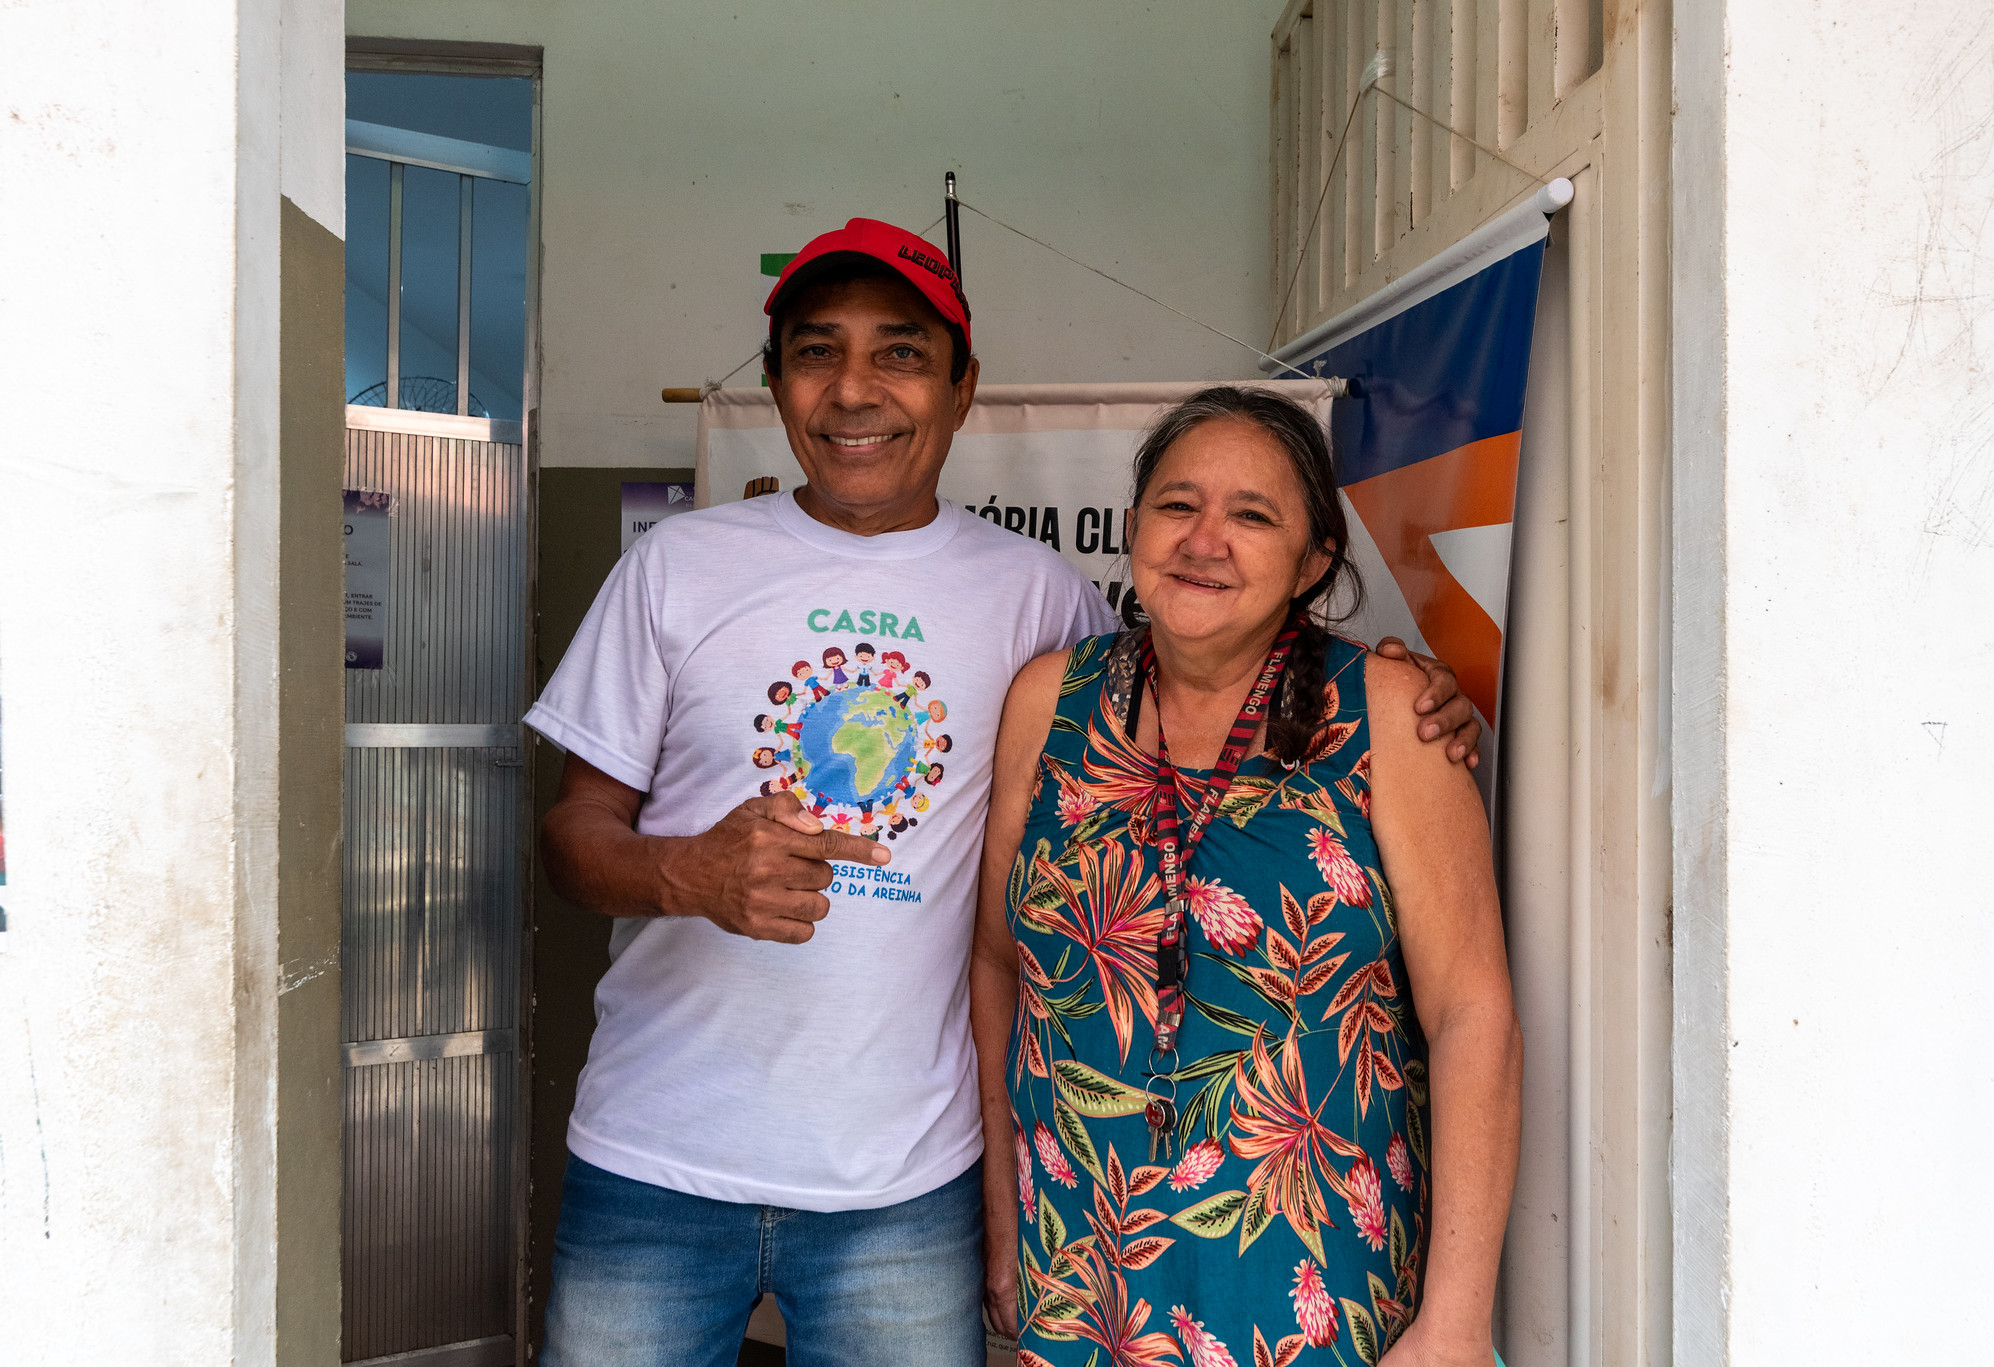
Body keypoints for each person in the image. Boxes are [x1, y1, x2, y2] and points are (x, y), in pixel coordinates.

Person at [526, 218, 1483, 1367]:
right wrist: (684, 870)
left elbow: (1194, 682)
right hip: (654, 1155)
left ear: (962, 386)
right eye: (816, 351)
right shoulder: (676, 566)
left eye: (900, 352)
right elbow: (571, 838)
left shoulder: (1038, 602)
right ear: (776, 382)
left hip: (908, 1185)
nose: (853, 390)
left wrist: (1408, 690)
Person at [972, 387, 1521, 1367]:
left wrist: (1454, 1323)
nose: (1203, 538)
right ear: (1134, 525)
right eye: (1177, 505)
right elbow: (994, 965)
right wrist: (1003, 1220)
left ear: (1312, 561)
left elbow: (1472, 1012)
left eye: (1251, 514)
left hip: (1308, 1285)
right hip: (1085, 1275)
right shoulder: (1049, 699)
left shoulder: (1388, 713)